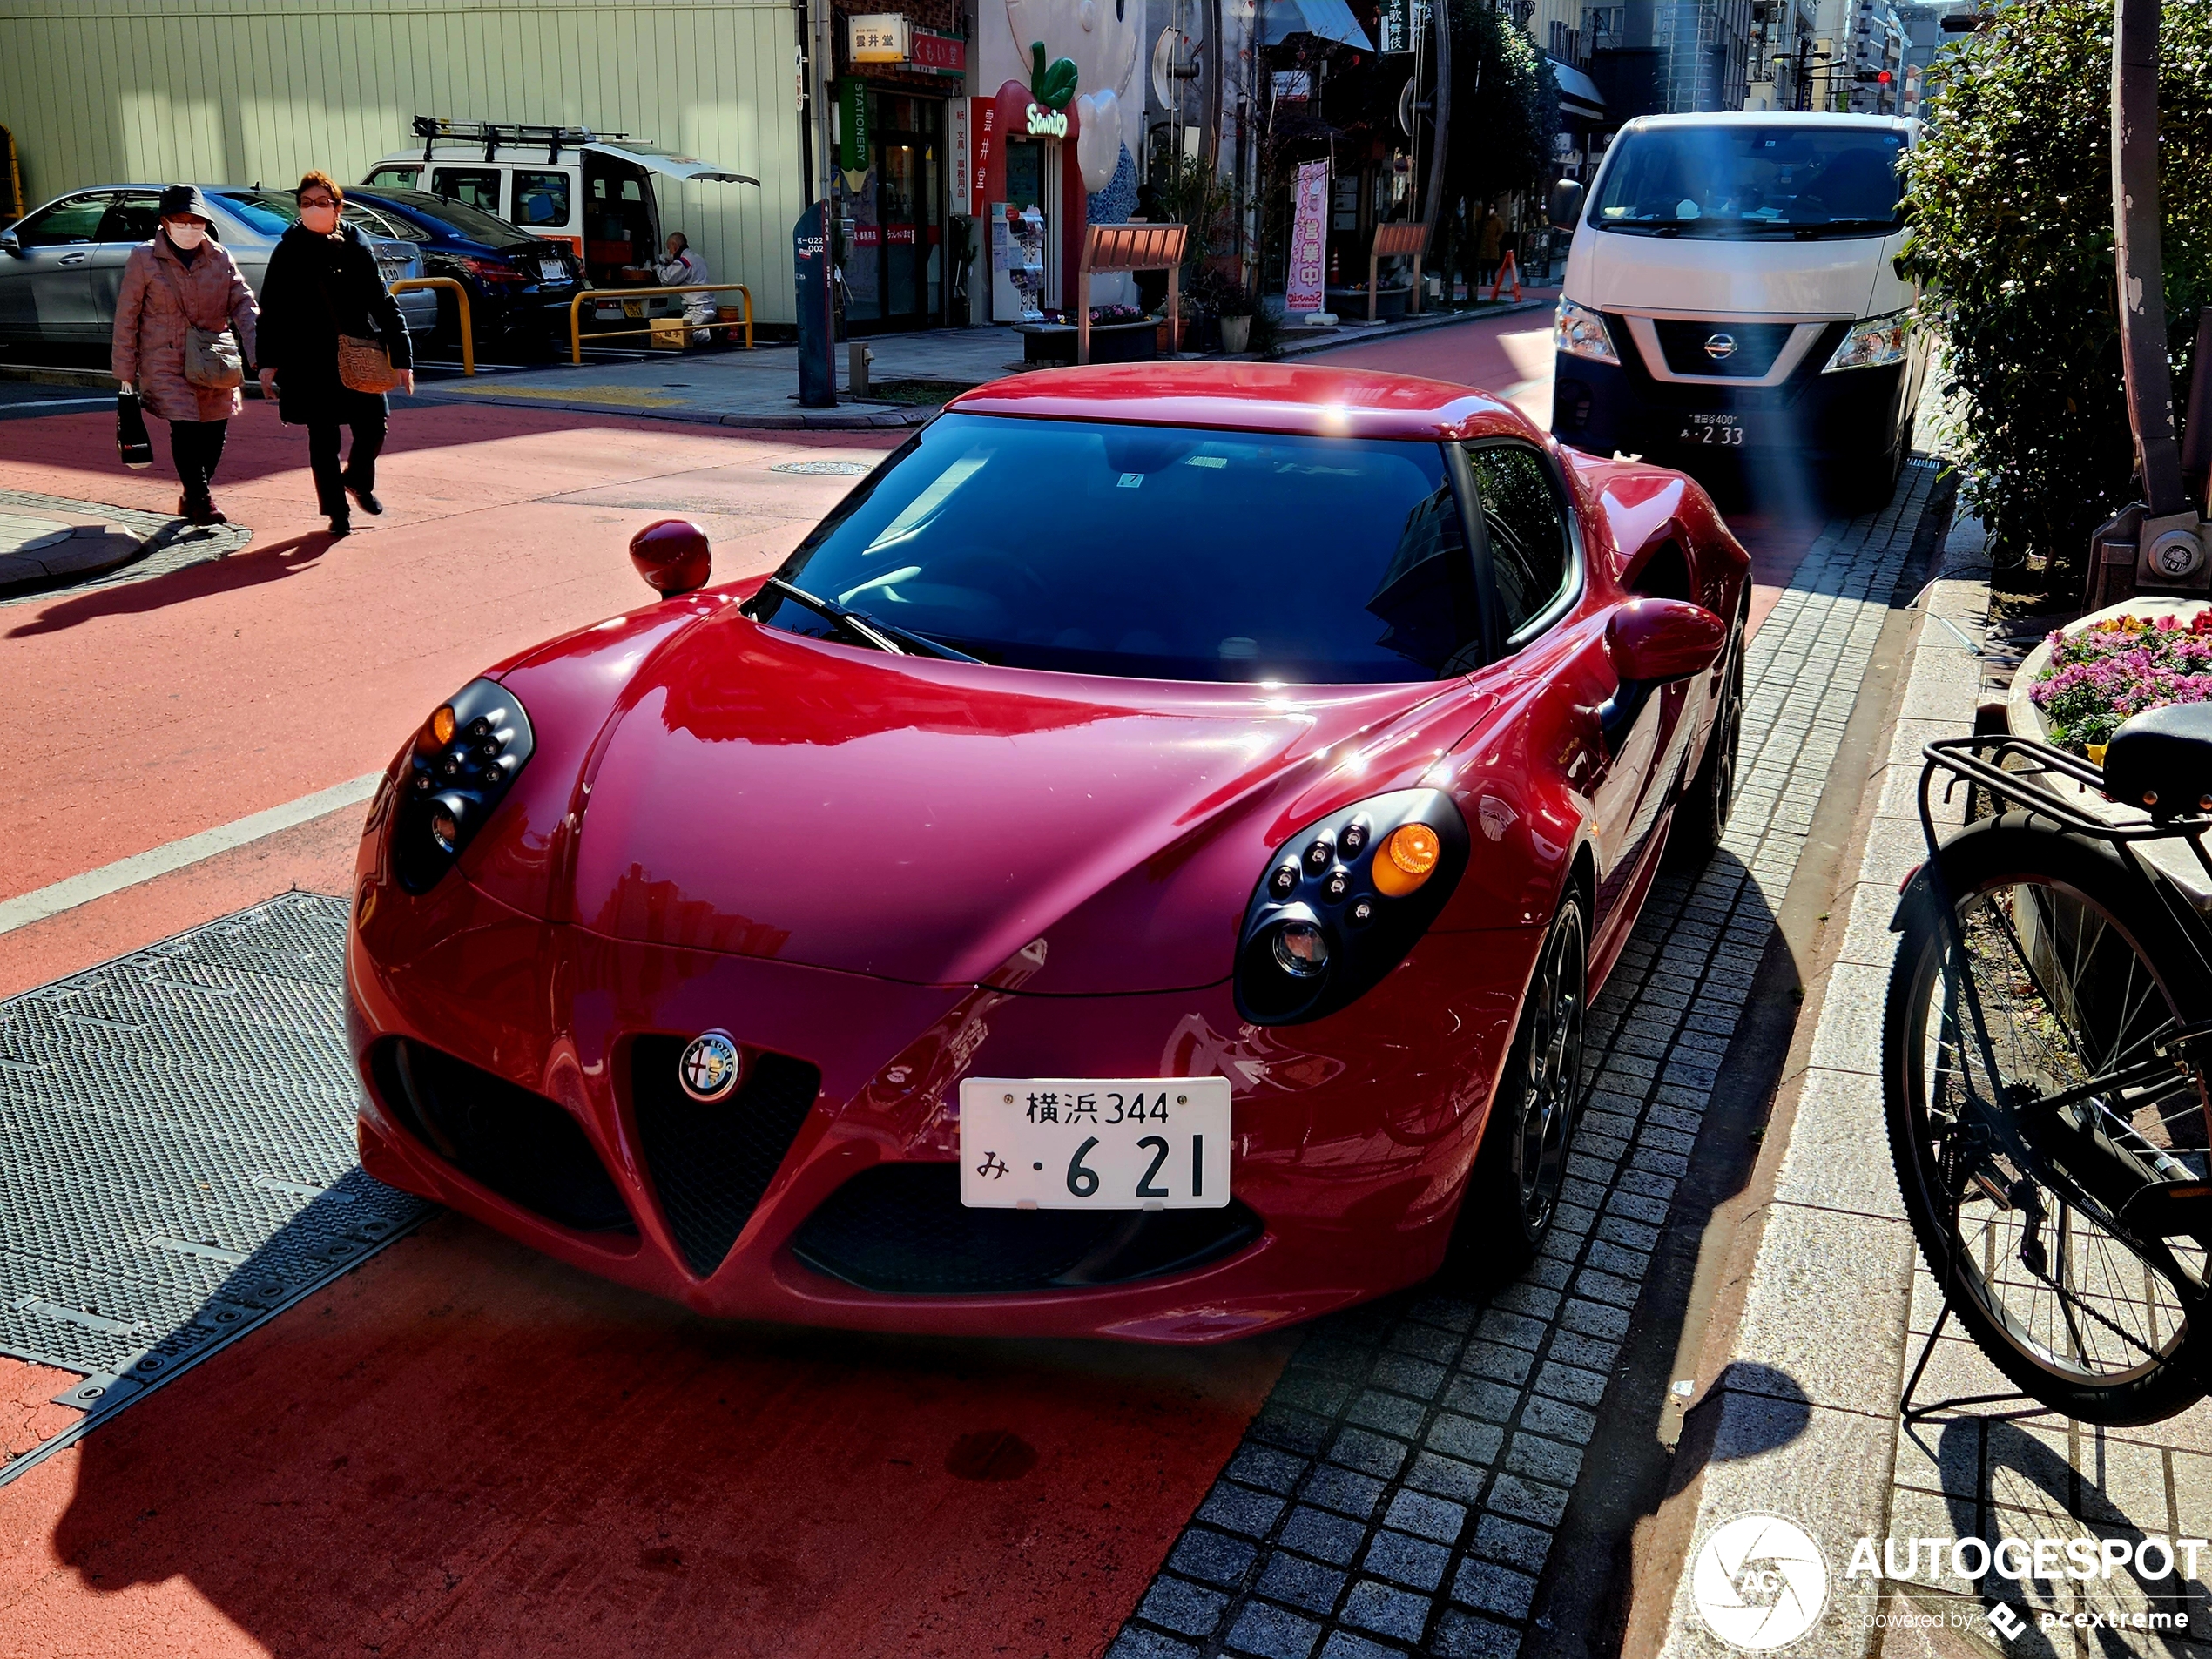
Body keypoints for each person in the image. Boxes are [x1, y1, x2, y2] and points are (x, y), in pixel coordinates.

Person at [254, 171, 414, 537]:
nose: (314, 209)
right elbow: (273, 309)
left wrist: (402, 358)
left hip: (356, 351)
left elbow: (382, 302)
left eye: (322, 203)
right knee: (323, 438)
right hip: (306, 358)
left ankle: (357, 479)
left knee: (374, 426)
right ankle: (336, 512)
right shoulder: (288, 249)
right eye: (306, 203)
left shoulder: (357, 245)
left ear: (338, 207)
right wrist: (268, 361)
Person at [111, 185, 260, 527]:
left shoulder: (219, 257)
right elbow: (127, 316)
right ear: (164, 222)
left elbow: (244, 305)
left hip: (212, 359)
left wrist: (258, 353)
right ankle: (203, 500)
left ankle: (192, 493)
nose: (189, 228)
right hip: (163, 360)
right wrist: (125, 370)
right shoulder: (143, 259)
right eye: (180, 221)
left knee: (214, 431)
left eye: (196, 221)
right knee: (186, 428)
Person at [629, 232, 716, 343]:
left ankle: (711, 333)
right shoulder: (698, 258)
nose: (668, 252)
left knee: (680, 334)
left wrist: (657, 267)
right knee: (684, 331)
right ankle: (712, 330)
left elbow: (668, 278)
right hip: (708, 305)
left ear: (674, 246)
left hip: (697, 309)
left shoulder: (683, 262)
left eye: (668, 248)